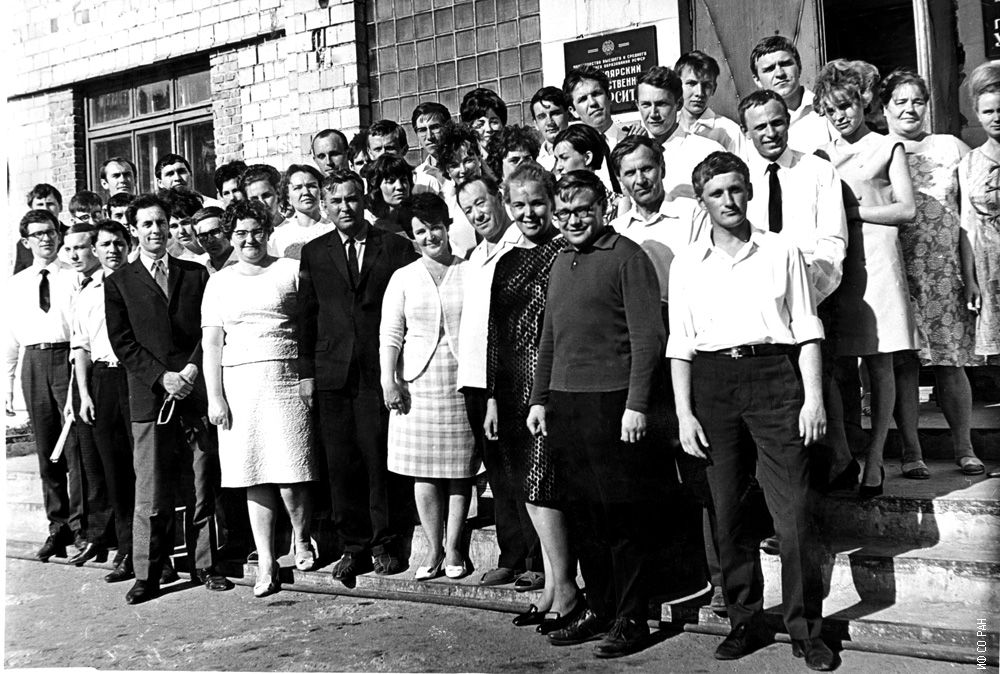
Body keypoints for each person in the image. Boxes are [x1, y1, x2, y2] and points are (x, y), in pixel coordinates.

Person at [668, 151, 833, 672]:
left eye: (736, 189)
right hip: (713, 384)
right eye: (716, 193)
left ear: (750, 191)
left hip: (775, 378)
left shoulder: (781, 250)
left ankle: (807, 630)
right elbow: (680, 345)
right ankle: (746, 621)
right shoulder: (686, 262)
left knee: (795, 511)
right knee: (728, 510)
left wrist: (813, 398)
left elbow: (806, 329)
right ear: (702, 201)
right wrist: (684, 413)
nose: (729, 200)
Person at [527, 171, 665, 658]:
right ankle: (600, 607)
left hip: (613, 404)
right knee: (585, 516)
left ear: (604, 207)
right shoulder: (560, 259)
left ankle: (633, 617)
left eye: (583, 210)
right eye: (564, 212)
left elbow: (648, 338)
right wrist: (539, 398)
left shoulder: (628, 257)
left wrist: (636, 405)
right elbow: (549, 336)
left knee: (622, 516)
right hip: (566, 405)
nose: (573, 220)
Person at [104, 193, 233, 604]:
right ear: (134, 231)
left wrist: (192, 370)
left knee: (200, 483)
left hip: (194, 393)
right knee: (152, 490)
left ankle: (205, 564)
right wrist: (163, 378)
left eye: (161, 222)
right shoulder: (119, 282)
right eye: (147, 224)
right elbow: (123, 344)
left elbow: (210, 329)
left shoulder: (194, 274)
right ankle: (148, 572)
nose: (156, 230)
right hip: (150, 399)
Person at [298, 169, 420, 582]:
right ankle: (353, 546)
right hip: (332, 372)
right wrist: (306, 373)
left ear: (364, 199)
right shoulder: (315, 252)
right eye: (335, 201)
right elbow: (307, 316)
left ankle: (385, 543)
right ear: (325, 206)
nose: (344, 207)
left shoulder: (394, 246)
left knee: (378, 457)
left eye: (351, 199)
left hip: (377, 370)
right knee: (341, 462)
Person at [203, 200, 319, 598]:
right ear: (230, 237)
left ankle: (301, 538)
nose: (249, 239)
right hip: (240, 384)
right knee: (253, 474)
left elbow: (309, 326)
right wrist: (215, 397)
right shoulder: (219, 282)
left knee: (291, 472)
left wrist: (307, 375)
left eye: (256, 231)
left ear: (267, 232)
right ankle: (267, 560)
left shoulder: (289, 270)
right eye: (240, 233)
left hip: (286, 379)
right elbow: (212, 343)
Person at [739, 89, 853, 489]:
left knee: (819, 383)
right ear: (746, 132)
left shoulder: (817, 171)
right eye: (760, 127)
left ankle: (837, 466)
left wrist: (803, 290)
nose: (770, 133)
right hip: (758, 302)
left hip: (813, 293)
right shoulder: (739, 177)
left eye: (777, 123)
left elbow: (833, 242)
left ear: (788, 122)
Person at [814, 59, 918, 497]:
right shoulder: (821, 156)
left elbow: (906, 209)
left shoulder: (887, 146)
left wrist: (853, 212)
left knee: (880, 362)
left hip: (877, 261)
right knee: (834, 364)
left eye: (846, 105)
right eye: (831, 109)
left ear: (863, 101)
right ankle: (842, 454)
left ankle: (876, 457)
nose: (840, 116)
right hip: (839, 265)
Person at [487, 162, 582, 630]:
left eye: (538, 203)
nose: (529, 213)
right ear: (507, 206)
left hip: (546, 384)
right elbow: (494, 332)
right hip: (509, 386)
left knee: (545, 486)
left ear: (552, 203)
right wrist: (490, 397)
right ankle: (549, 589)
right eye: (519, 204)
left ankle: (567, 588)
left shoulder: (565, 252)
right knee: (527, 485)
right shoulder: (505, 261)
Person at [881, 70, 985, 478]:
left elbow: (970, 215)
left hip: (945, 273)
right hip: (899, 273)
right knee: (905, 365)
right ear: (885, 108)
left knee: (951, 362)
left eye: (917, 101)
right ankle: (912, 452)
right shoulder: (879, 151)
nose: (910, 109)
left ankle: (964, 447)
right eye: (901, 101)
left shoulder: (949, 146)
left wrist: (971, 276)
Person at [380, 192, 476, 580]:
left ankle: (454, 548)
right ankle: (433, 549)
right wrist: (389, 380)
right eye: (421, 231)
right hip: (416, 384)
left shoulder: (469, 270)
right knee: (423, 470)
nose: (430, 236)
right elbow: (390, 333)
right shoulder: (403, 277)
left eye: (435, 227)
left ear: (447, 227)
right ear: (412, 236)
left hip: (461, 379)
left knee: (459, 469)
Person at [5, 209, 85, 558]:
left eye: (50, 231)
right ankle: (58, 527)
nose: (46, 239)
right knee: (46, 449)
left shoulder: (74, 276)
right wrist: (7, 386)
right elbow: (8, 340)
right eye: (37, 234)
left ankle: (82, 528)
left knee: (75, 447)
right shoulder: (16, 284)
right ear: (26, 242)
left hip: (68, 358)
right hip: (33, 363)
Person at [70, 220, 137, 582]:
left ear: (129, 245)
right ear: (95, 250)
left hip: (138, 377)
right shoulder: (88, 293)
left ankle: (155, 552)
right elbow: (80, 347)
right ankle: (126, 550)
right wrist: (84, 394)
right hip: (104, 380)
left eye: (119, 243)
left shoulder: (141, 283)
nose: (113, 250)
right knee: (115, 471)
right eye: (106, 244)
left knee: (146, 469)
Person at [62, 223, 115, 567]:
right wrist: (77, 394)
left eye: (80, 248)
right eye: (68, 250)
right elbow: (79, 346)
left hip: (117, 375)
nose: (74, 255)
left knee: (115, 464)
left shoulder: (115, 282)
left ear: (94, 248)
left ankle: (120, 539)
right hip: (90, 379)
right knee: (92, 465)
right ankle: (98, 537)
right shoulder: (83, 290)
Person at [609, 135, 708, 306]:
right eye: (630, 173)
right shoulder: (616, 230)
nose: (640, 180)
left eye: (646, 169)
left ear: (662, 169)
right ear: (619, 180)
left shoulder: (693, 214)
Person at [959, 62, 1000, 366]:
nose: (996, 117)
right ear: (977, 113)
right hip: (991, 271)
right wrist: (970, 279)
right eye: (988, 111)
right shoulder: (969, 163)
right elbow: (968, 225)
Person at [636, 66, 724, 200]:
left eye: (661, 104)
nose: (653, 114)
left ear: (679, 104)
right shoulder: (632, 157)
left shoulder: (708, 152)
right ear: (637, 105)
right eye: (646, 105)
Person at [751, 36, 835, 154]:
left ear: (799, 67)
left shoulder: (828, 110)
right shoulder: (752, 124)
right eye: (769, 69)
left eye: (785, 64)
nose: (779, 73)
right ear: (757, 80)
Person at [675, 51, 747, 159]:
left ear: (714, 89)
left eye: (706, 85)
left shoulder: (730, 131)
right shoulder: (668, 126)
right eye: (691, 83)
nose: (699, 93)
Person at [550, 124, 623, 215]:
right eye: (557, 159)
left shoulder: (619, 204)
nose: (558, 167)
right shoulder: (554, 206)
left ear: (587, 158)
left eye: (564, 158)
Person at [437, 123, 485, 257]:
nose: (463, 170)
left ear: (479, 159)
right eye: (454, 165)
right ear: (447, 170)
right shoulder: (447, 209)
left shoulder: (501, 197)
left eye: (468, 161)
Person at [268, 164, 334, 260]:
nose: (306, 192)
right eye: (297, 188)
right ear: (288, 196)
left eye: (311, 186)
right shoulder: (280, 237)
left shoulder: (334, 229)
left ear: (320, 191)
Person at [563, 66, 630, 150]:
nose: (592, 103)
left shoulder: (633, 140)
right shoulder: (574, 151)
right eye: (583, 99)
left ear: (609, 96)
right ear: (573, 111)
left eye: (596, 94)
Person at [367, 154, 415, 237]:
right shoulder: (370, 224)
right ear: (377, 187)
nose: (399, 187)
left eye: (403, 180)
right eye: (391, 181)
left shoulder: (422, 220)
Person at [411, 102, 451, 192]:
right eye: (422, 130)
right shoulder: (417, 177)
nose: (429, 137)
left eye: (435, 127)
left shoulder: (465, 166)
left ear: (448, 127)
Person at [531, 87, 572, 172]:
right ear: (536, 124)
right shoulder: (534, 162)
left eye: (555, 113)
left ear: (567, 114)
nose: (549, 122)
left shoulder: (585, 148)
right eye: (542, 117)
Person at [161, 187, 207, 261]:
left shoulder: (217, 254)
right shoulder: (175, 262)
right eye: (174, 226)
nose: (181, 231)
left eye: (186, 223)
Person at [192, 207, 238, 274]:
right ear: (198, 241)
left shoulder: (247, 261)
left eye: (215, 232)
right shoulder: (199, 270)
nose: (210, 240)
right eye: (203, 235)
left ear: (228, 231)